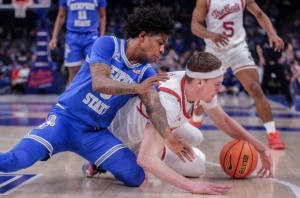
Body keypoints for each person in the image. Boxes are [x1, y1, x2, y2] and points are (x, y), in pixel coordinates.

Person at [0, 5, 192, 187]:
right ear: (142, 35)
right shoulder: (107, 44)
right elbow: (99, 83)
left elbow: (154, 107)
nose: (162, 50)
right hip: (64, 121)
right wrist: (136, 88)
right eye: (160, 42)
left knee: (136, 176)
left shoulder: (147, 73)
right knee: (13, 161)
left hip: (94, 133)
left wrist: (169, 138)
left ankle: (95, 164)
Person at [83, 52, 273, 195]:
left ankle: (163, 143)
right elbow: (146, 158)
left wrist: (261, 148)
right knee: (191, 168)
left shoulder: (194, 79)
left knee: (196, 138)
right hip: (125, 141)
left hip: (152, 125)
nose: (220, 89)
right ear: (200, 82)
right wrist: (192, 187)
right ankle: (100, 162)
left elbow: (223, 120)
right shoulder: (167, 102)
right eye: (217, 84)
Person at [191, 0, 286, 149]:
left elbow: (260, 14)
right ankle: (196, 120)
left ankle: (272, 133)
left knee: (255, 88)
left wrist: (272, 34)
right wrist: (210, 34)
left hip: (237, 48)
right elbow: (195, 25)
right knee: (202, 92)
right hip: (215, 49)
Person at [49, 0, 107, 87]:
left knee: (94, 69)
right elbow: (61, 16)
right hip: (73, 36)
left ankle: (93, 97)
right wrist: (54, 37)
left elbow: (102, 16)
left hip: (91, 35)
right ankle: (69, 97)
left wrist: (102, 37)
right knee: (73, 70)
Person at [256, 36, 294, 109]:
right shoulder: (265, 40)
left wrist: (284, 57)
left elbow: (289, 47)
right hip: (268, 65)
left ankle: (290, 102)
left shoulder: (278, 40)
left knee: (284, 84)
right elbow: (258, 47)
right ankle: (257, 102)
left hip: (277, 65)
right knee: (263, 84)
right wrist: (261, 57)